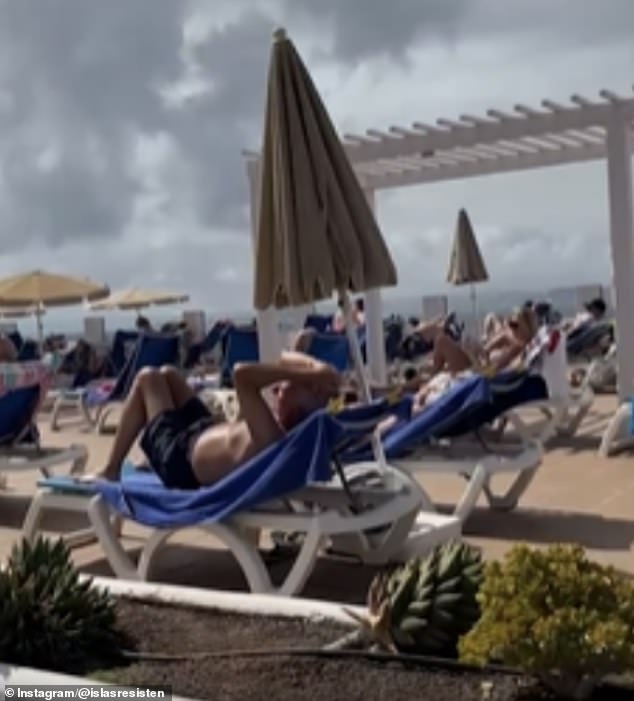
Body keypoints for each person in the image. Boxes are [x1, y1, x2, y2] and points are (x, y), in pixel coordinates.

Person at [90, 353, 341, 489]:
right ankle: (113, 467)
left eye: (284, 388)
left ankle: (111, 470)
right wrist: (318, 370)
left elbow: (242, 373)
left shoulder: (272, 438)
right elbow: (287, 356)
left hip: (179, 459)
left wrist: (312, 374)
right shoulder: (280, 428)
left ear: (300, 404)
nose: (275, 391)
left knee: (148, 377)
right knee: (169, 374)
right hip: (203, 429)